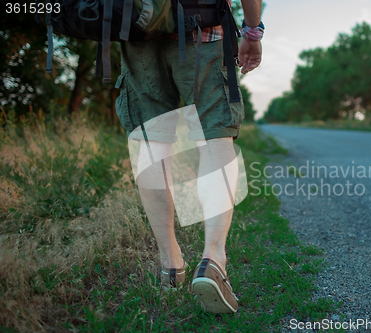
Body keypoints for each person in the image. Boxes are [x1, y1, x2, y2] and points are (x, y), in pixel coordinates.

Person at [114, 0, 264, 314]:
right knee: (214, 138)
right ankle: (213, 259)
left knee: (151, 145)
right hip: (202, 26)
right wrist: (253, 30)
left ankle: (171, 266)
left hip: (139, 26)